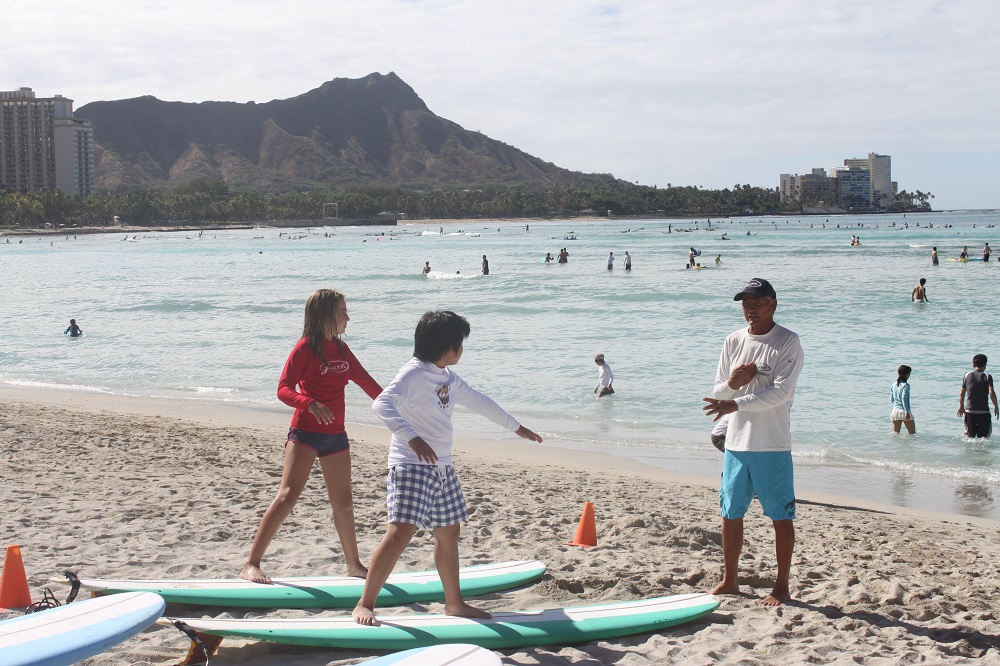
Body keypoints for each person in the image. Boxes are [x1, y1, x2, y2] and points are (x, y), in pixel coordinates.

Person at [353, 311, 542, 625]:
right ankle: (365, 604)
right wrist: (412, 438)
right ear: (446, 346)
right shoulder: (413, 373)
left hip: (442, 467)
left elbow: (481, 402)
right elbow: (381, 403)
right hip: (411, 465)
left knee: (449, 531)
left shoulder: (448, 378)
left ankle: (454, 603)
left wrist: (517, 428)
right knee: (400, 533)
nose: (462, 350)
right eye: (461, 343)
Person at [241, 289, 383, 584]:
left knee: (343, 502)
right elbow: (283, 388)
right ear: (325, 316)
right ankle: (251, 563)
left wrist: (403, 407)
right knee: (287, 496)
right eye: (342, 312)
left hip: (335, 437)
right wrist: (309, 403)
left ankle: (354, 565)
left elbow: (370, 386)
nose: (347, 317)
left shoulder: (343, 351)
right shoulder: (304, 349)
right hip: (304, 433)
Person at [702, 278, 804, 607]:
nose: (751, 310)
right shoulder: (733, 340)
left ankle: (781, 587)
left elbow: (781, 393)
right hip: (736, 443)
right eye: (746, 303)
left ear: (773, 304)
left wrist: (736, 403)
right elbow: (718, 391)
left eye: (757, 303)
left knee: (780, 515)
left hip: (771, 444)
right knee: (730, 512)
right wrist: (733, 384)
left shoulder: (787, 342)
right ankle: (730, 580)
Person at [958, 354, 998, 438]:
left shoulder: (967, 375)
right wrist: (996, 407)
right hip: (984, 412)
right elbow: (991, 393)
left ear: (973, 365)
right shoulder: (987, 377)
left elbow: (962, 393)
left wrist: (961, 406)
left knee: (969, 437)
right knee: (984, 438)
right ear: (985, 365)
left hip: (970, 412)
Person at [891, 365, 915, 434]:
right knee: (912, 435)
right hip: (904, 411)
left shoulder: (893, 385)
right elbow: (903, 398)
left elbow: (892, 399)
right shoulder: (906, 385)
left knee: (896, 435)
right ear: (907, 374)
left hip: (895, 412)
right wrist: (906, 412)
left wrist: (896, 407)